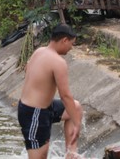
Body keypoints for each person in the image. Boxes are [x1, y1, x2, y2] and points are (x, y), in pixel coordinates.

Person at [18, 24, 82, 159]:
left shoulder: (39, 51)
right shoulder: (58, 62)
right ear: (64, 40)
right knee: (40, 156)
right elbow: (65, 96)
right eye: (71, 44)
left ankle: (71, 155)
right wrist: (77, 125)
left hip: (45, 108)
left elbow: (27, 68)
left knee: (75, 108)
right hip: (33, 113)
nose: (71, 48)